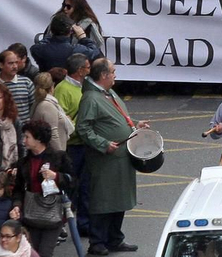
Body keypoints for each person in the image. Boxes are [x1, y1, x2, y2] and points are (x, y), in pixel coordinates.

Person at [73, 58, 141, 256]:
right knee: (102, 201)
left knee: (118, 199)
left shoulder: (107, 93)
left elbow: (116, 117)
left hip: (120, 157)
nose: (115, 75)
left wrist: (134, 124)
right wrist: (103, 144)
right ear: (103, 75)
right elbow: (83, 128)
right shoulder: (91, 99)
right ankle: (97, 241)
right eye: (113, 71)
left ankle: (114, 238)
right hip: (105, 160)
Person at [10, 120, 71, 257]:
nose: (24, 140)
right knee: (32, 253)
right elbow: (18, 189)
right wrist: (17, 206)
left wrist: (56, 176)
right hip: (31, 215)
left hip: (53, 215)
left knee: (44, 253)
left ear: (38, 139)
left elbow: (73, 181)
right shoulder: (24, 163)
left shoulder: (59, 158)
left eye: (27, 137)